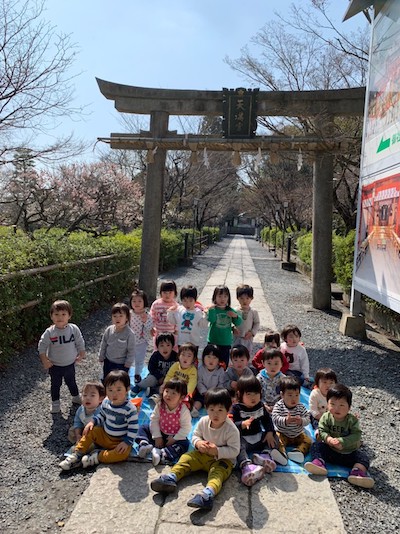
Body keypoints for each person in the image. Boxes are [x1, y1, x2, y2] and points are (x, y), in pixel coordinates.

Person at [150, 387, 240, 511]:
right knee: (186, 458)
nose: (215, 414)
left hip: (222, 460)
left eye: (220, 410)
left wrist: (218, 451)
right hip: (202, 454)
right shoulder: (203, 421)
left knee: (217, 473)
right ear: (206, 408)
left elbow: (235, 450)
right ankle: (171, 477)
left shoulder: (231, 429)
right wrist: (198, 443)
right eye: (211, 409)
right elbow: (195, 435)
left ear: (228, 409)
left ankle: (207, 495)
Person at [59, 370, 138, 470]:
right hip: (105, 436)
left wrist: (127, 442)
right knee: (92, 430)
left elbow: (133, 428)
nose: (114, 394)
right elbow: (102, 415)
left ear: (127, 389)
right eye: (110, 390)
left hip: (119, 441)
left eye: (119, 390)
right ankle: (77, 454)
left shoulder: (130, 409)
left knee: (123, 454)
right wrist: (93, 422)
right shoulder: (106, 402)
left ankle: (97, 456)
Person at [304, 384, 374, 488]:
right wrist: (328, 439)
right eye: (332, 404)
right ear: (327, 404)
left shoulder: (351, 420)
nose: (337, 408)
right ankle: (319, 463)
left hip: (348, 453)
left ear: (349, 407)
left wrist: (342, 441)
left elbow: (356, 435)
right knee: (316, 446)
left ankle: (357, 473)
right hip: (330, 451)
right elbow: (322, 430)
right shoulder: (326, 417)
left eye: (341, 405)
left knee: (363, 458)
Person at [38, 299, 86, 413]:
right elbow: (42, 346)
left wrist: (82, 352)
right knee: (55, 385)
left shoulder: (74, 329)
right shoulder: (50, 332)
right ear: (51, 316)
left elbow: (80, 341)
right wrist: (45, 360)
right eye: (56, 314)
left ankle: (75, 397)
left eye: (63, 314)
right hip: (55, 365)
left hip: (70, 363)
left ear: (69, 316)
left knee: (71, 381)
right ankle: (55, 403)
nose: (60, 317)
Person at [231, 376, 277, 486]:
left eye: (256, 393)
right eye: (249, 394)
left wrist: (270, 432)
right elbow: (231, 426)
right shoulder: (237, 408)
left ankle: (264, 456)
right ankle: (247, 466)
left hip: (258, 436)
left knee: (275, 436)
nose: (253, 397)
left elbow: (267, 420)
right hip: (243, 439)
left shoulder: (260, 406)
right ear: (240, 394)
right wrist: (242, 424)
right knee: (236, 446)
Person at [136, 379, 191, 465]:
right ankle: (144, 445)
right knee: (143, 428)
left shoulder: (183, 410)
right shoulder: (160, 405)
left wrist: (174, 439)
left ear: (182, 397)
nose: (168, 395)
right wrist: (157, 436)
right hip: (160, 432)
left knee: (184, 444)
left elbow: (186, 428)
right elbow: (154, 420)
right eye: (167, 391)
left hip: (174, 436)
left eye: (173, 393)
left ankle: (162, 453)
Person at [271, 375, 312, 465]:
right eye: (290, 395)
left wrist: (301, 421)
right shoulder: (279, 405)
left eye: (296, 395)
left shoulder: (300, 407)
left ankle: (298, 452)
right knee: (276, 439)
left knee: (308, 441)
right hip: (283, 433)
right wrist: (285, 420)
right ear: (282, 395)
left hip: (297, 434)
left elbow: (308, 418)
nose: (294, 398)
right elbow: (274, 418)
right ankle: (282, 454)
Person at [98, 303, 136, 382]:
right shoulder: (109, 330)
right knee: (107, 380)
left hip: (121, 364)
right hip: (108, 361)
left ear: (127, 318)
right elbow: (104, 343)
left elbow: (131, 350)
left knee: (119, 382)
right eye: (115, 316)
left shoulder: (129, 334)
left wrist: (128, 363)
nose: (117, 318)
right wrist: (101, 355)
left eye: (121, 316)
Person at [206, 285, 242, 368]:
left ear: (228, 298)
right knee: (211, 360)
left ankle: (222, 376)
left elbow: (238, 322)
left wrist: (235, 316)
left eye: (225, 296)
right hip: (213, 340)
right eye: (220, 296)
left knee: (223, 362)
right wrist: (211, 310)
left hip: (225, 341)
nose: (222, 299)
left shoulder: (230, 310)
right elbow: (211, 320)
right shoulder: (213, 309)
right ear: (215, 297)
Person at [192, 344, 225, 418]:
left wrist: (215, 393)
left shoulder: (220, 370)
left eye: (214, 357)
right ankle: (195, 409)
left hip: (215, 393)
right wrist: (204, 392)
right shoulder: (201, 369)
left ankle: (213, 411)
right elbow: (199, 382)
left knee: (218, 401)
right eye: (208, 357)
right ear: (203, 358)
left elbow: (221, 383)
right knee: (198, 400)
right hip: (203, 393)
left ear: (219, 360)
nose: (211, 360)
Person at [129, 289, 153, 384]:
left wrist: (145, 321)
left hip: (142, 342)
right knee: (129, 358)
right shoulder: (129, 314)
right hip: (130, 342)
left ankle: (137, 374)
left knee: (139, 359)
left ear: (144, 302)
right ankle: (125, 373)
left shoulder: (147, 315)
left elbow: (150, 327)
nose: (136, 303)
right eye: (134, 301)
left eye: (139, 301)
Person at [232, 284, 260, 354]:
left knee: (246, 354)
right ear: (237, 298)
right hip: (236, 337)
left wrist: (252, 332)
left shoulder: (253, 312)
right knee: (235, 354)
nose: (244, 301)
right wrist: (233, 328)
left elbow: (257, 323)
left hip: (248, 337)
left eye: (247, 298)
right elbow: (230, 321)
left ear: (251, 298)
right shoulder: (235, 311)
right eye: (242, 298)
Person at [150, 280, 178, 347]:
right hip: (159, 332)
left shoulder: (176, 306)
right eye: (165, 292)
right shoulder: (156, 304)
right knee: (158, 349)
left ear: (175, 293)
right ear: (160, 293)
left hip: (171, 333)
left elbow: (178, 319)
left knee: (172, 349)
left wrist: (177, 330)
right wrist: (151, 327)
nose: (167, 295)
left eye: (170, 292)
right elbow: (151, 316)